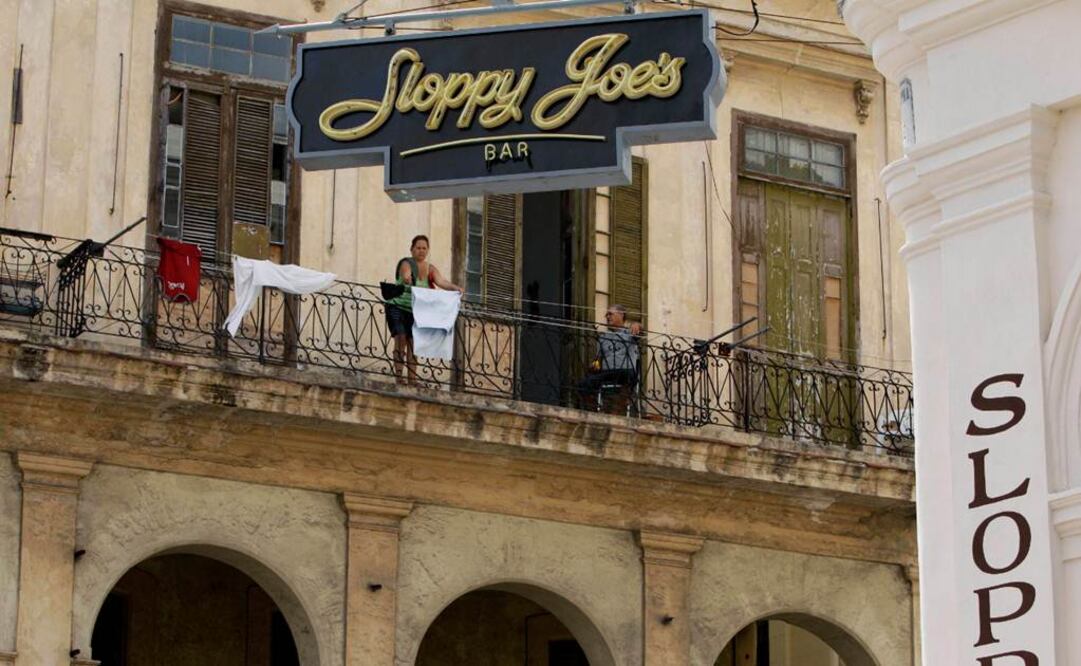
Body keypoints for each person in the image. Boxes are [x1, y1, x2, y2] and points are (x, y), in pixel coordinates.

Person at [385, 235, 464, 384]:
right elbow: (405, 273)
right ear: (412, 249)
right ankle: (399, 377)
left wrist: (456, 288)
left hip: (416, 311)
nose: (421, 251)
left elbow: (442, 282)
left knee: (413, 343)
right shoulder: (406, 263)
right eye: (418, 248)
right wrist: (407, 278)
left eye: (424, 248)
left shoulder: (430, 269)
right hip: (397, 306)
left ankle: (412, 380)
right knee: (401, 338)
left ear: (427, 250)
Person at [578, 304, 643, 408]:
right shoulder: (603, 338)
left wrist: (637, 325)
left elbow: (640, 331)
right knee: (583, 384)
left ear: (621, 315)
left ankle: (618, 409)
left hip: (625, 372)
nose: (607, 317)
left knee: (628, 379)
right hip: (607, 373)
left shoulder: (629, 333)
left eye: (610, 314)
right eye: (606, 315)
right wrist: (595, 365)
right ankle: (593, 409)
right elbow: (598, 359)